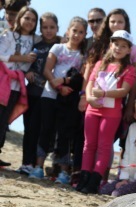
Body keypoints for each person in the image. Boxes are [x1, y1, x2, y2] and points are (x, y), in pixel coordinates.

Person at [28, 16, 87, 184]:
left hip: (69, 98)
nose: (76, 35)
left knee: (64, 133)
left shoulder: (83, 55)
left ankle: (63, 171)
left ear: (85, 35)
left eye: (81, 32)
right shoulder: (58, 47)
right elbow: (47, 69)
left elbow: (81, 77)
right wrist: (58, 86)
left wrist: (66, 88)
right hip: (50, 94)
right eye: (74, 30)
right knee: (45, 129)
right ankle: (38, 167)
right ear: (68, 31)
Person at [77, 30, 136, 194]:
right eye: (116, 44)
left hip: (111, 113)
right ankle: (83, 178)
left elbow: (124, 91)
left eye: (123, 46)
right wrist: (89, 98)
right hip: (93, 109)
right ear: (111, 45)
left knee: (104, 146)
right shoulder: (100, 64)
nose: (119, 48)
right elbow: (90, 82)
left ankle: (94, 181)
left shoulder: (129, 69)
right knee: (88, 145)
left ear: (129, 50)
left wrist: (103, 94)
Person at [16, 11, 60, 175]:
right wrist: (27, 72)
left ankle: (38, 165)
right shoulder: (36, 44)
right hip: (33, 93)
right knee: (30, 129)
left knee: (46, 131)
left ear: (57, 28)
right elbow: (26, 65)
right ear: (40, 29)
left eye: (52, 27)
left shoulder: (61, 46)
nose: (48, 30)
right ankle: (26, 163)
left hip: (51, 96)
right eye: (45, 27)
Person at [0, 5, 37, 167]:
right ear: (20, 18)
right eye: (26, 18)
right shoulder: (8, 34)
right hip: (2, 81)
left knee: (3, 121)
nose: (29, 22)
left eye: (33, 20)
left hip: (16, 87)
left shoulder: (36, 39)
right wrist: (21, 58)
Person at [100, 96, 136, 196]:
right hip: (129, 177)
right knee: (104, 190)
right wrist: (124, 179)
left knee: (116, 194)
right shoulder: (133, 128)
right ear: (134, 115)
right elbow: (126, 154)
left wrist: (132, 181)